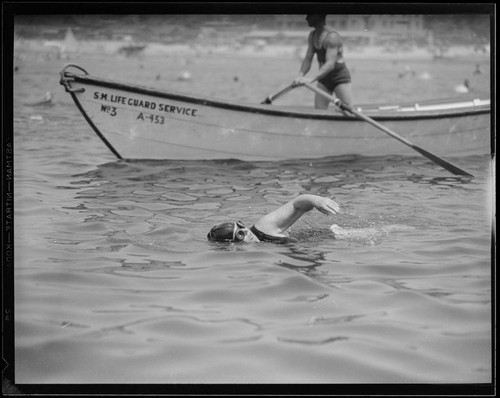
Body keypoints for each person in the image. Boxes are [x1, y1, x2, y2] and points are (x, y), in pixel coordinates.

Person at [207, 194, 340, 243]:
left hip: (334, 236)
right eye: (240, 234)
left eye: (242, 226)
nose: (247, 232)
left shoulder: (264, 227)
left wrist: (317, 200)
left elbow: (297, 204)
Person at [292, 14, 353, 109]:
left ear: (318, 16)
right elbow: (308, 59)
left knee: (348, 112)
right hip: (324, 79)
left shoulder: (332, 37)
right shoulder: (312, 35)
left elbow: (330, 64)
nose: (306, 18)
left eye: (309, 15)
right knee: (319, 113)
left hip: (339, 79)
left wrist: (311, 79)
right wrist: (300, 76)